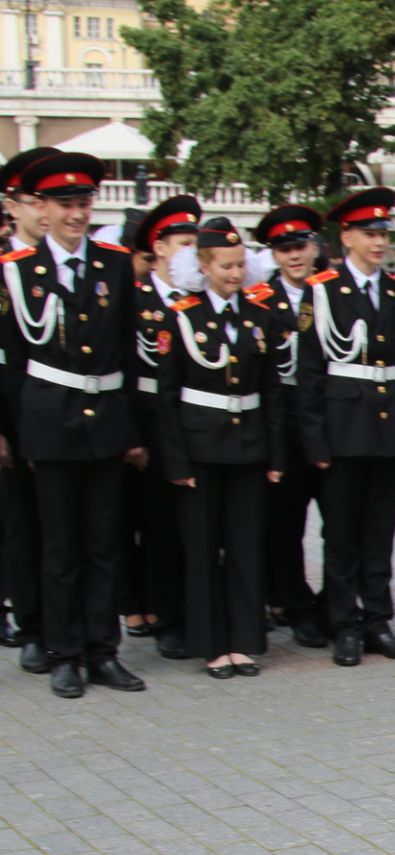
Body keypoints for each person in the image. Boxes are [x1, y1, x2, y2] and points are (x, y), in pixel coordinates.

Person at [0, 152, 148, 697]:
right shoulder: (15, 273)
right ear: (40, 207)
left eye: (84, 203)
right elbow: (12, 364)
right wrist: (13, 433)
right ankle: (64, 652)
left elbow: (130, 356)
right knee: (60, 547)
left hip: (105, 419)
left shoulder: (113, 263)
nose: (77, 215)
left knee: (103, 543)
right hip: (49, 424)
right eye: (66, 205)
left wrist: (132, 432)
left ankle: (102, 650)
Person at [153, 219, 284, 678]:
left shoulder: (259, 316)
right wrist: (176, 461)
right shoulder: (180, 317)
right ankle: (211, 644)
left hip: (248, 445)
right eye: (225, 265)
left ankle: (244, 641)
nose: (234, 273)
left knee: (246, 546)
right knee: (204, 549)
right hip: (200, 447)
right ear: (204, 266)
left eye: (239, 265)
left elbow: (271, 391)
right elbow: (166, 396)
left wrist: (275, 456)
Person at [298, 187, 395, 668]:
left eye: (382, 234)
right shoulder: (321, 291)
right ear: (345, 236)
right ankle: (344, 624)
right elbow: (310, 372)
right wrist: (316, 441)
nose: (378, 243)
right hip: (343, 429)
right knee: (342, 535)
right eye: (369, 234)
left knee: (379, 533)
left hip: (388, 432)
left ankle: (377, 620)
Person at [248, 204, 330, 648]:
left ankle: (333, 603)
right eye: (283, 248)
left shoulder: (332, 292)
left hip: (331, 424)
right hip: (284, 425)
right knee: (285, 525)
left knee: (337, 524)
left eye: (300, 245)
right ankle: (295, 606)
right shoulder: (259, 300)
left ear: (315, 246)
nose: (294, 255)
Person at [125, 193, 202, 661]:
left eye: (195, 241)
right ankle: (164, 616)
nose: (192, 250)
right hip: (151, 421)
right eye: (183, 242)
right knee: (157, 526)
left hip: (195, 424)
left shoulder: (197, 301)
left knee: (193, 526)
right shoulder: (136, 300)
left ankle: (195, 612)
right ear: (159, 247)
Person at [0, 146, 61, 665]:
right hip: (14, 414)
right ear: (13, 205)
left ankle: (76, 627)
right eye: (33, 199)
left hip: (69, 419)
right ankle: (35, 626)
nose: (46, 211)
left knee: (72, 529)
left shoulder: (73, 260)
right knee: (24, 526)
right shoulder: (4, 268)